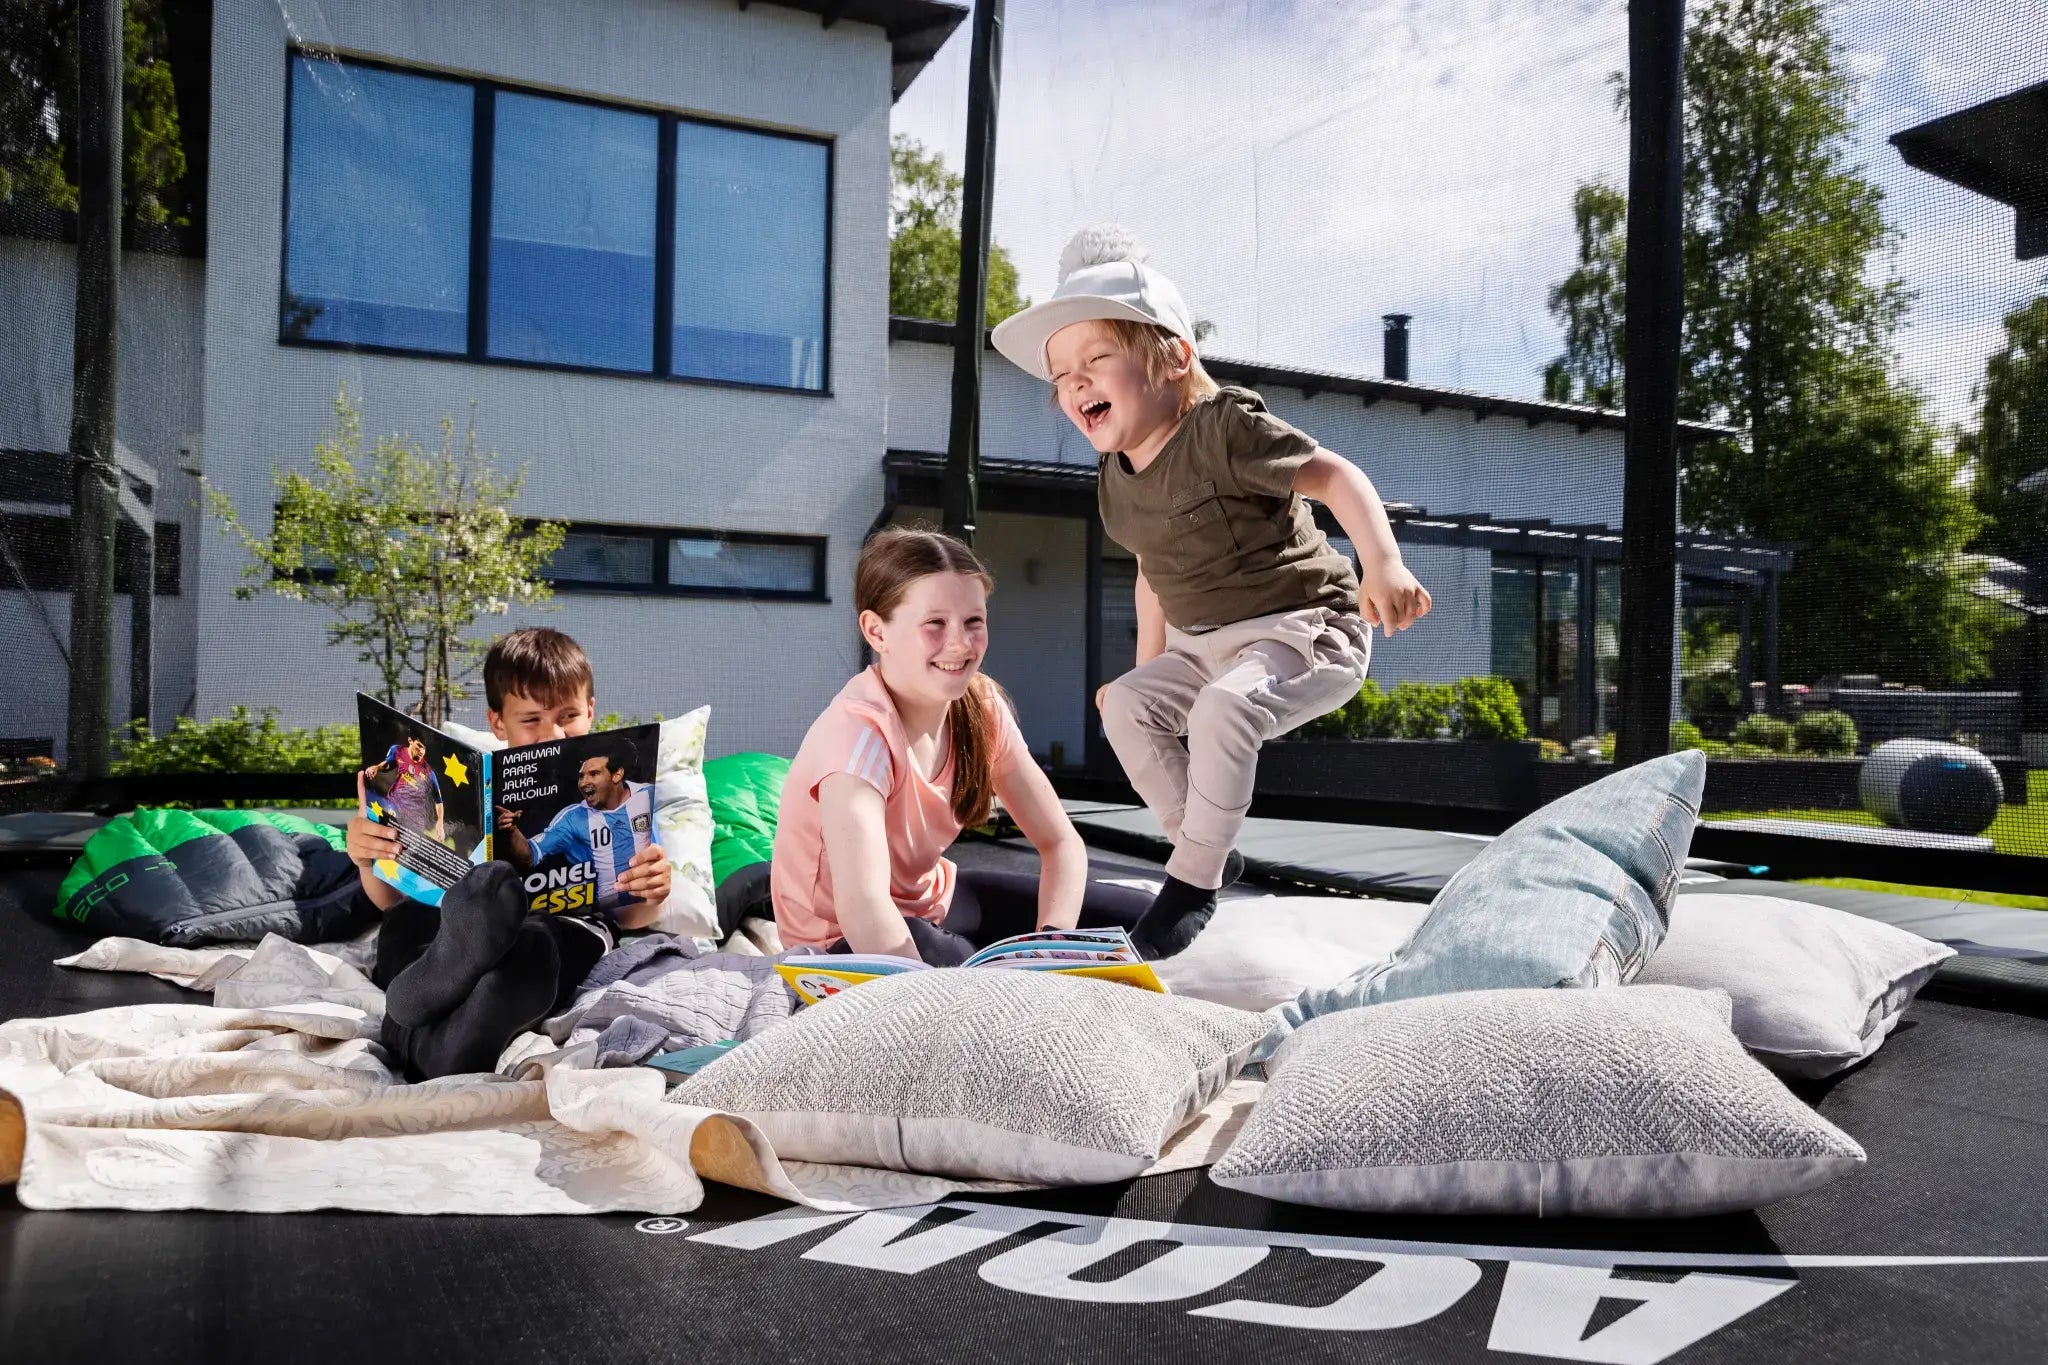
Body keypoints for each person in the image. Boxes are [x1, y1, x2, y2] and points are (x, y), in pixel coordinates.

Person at [991, 225, 1433, 958]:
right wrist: (1144, 667)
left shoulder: (1222, 427)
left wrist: (1382, 563)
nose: (1076, 384)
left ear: (1172, 358)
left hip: (1303, 627)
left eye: (1097, 358)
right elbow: (1151, 574)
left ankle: (1190, 883)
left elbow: (1336, 476)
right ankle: (1209, 850)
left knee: (1226, 710)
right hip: (1202, 647)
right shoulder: (1116, 483)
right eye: (1062, 374)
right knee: (1128, 709)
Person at [772, 527, 1150, 965]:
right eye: (935, 623)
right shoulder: (856, 738)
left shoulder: (980, 705)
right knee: (958, 961)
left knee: (1138, 925)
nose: (960, 643)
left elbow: (1061, 843)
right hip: (842, 941)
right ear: (877, 632)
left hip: (934, 900)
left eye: (973, 622)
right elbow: (864, 910)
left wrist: (1054, 944)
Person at [344, 628, 670, 1080]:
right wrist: (367, 856)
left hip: (560, 918)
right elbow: (388, 899)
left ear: (591, 712)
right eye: (531, 719)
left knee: (541, 945)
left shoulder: (620, 799)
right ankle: (449, 1002)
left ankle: (425, 1036)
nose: (553, 733)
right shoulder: (464, 790)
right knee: (405, 922)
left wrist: (652, 889)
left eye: (569, 716)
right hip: (446, 918)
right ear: (498, 722)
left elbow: (633, 917)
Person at [498, 752, 655, 911]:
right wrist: (512, 831)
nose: (584, 782)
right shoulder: (572, 818)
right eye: (581, 776)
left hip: (651, 905)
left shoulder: (649, 794)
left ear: (616, 775)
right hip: (604, 915)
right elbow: (530, 856)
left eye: (593, 774)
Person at [364, 736, 445, 842]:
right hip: (393, 804)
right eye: (419, 746)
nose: (421, 751)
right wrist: (376, 767)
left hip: (413, 817)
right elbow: (388, 765)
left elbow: (439, 801)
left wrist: (440, 823)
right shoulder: (398, 751)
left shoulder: (429, 772)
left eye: (424, 748)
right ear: (410, 741)